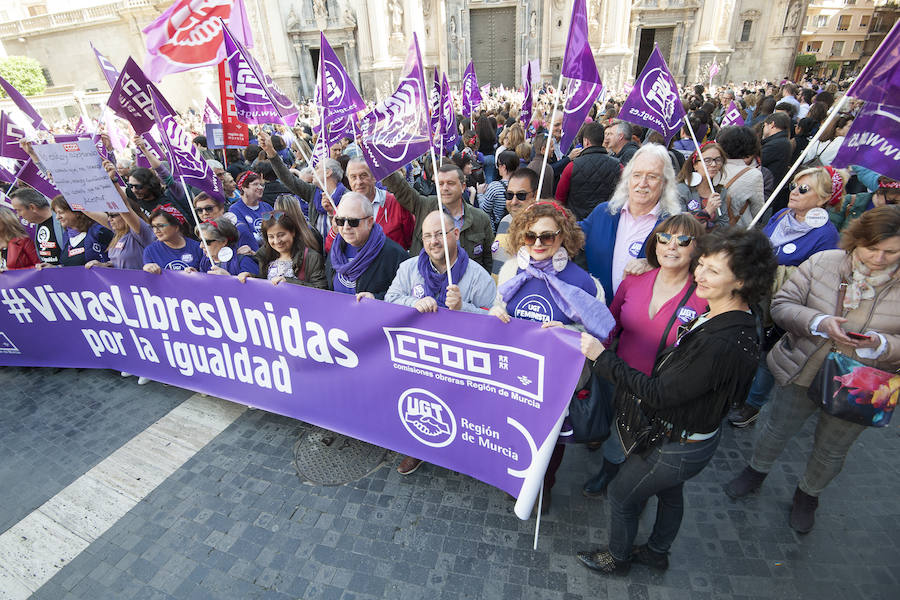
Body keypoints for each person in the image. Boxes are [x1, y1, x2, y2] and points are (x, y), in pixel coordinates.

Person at [576, 228, 777, 574]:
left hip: (674, 444)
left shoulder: (723, 342)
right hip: (691, 438)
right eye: (702, 264)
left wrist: (601, 358)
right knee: (670, 493)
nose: (699, 274)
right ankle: (657, 552)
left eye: (713, 271)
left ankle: (617, 558)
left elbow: (659, 393)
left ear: (741, 281)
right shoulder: (733, 316)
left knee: (622, 495)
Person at [725, 206, 900, 533]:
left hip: (864, 380)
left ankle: (809, 494)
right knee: (777, 427)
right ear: (856, 240)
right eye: (871, 248)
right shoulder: (825, 263)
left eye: (891, 252)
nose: (879, 258)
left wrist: (882, 345)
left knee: (833, 447)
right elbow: (782, 306)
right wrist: (818, 323)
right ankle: (756, 470)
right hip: (804, 366)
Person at [490, 201, 615, 513]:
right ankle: (518, 481)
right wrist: (495, 312)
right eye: (530, 236)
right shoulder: (510, 270)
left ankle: (544, 486)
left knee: (552, 442)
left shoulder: (584, 282)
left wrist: (568, 329)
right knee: (515, 431)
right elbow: (498, 308)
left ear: (564, 237)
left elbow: (599, 333)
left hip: (557, 381)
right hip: (516, 374)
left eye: (547, 236)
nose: (538, 243)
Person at [582, 214, 708, 497]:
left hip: (658, 390)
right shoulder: (634, 281)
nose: (672, 246)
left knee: (634, 443)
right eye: (665, 238)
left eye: (683, 240)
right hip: (615, 375)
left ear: (696, 248)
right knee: (612, 430)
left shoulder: (704, 296)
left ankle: (623, 480)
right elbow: (608, 325)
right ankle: (608, 466)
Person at [387, 211, 497, 475]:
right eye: (427, 235)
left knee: (463, 410)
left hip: (461, 359)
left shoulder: (477, 276)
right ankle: (419, 449)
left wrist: (463, 308)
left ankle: (465, 454)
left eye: (440, 233)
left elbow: (496, 321)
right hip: (420, 357)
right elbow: (389, 300)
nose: (433, 241)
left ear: (456, 234)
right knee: (422, 405)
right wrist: (413, 303)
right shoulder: (409, 268)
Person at [579, 144, 682, 303]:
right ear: (628, 179)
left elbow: (687, 271)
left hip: (640, 321)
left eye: (652, 176)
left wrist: (654, 265)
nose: (642, 183)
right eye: (637, 175)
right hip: (596, 314)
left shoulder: (673, 226)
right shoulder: (603, 213)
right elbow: (568, 235)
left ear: (665, 183)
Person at [384, 163, 494, 273]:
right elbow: (400, 188)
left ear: (463, 187)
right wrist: (382, 162)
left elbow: (489, 261)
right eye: (440, 184)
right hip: (426, 284)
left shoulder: (480, 219)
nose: (445, 188)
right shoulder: (425, 206)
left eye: (450, 183)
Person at [325, 192, 408, 300]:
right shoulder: (336, 248)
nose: (345, 227)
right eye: (340, 221)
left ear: (369, 222)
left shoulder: (394, 254)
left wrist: (376, 298)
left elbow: (407, 295)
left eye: (353, 222)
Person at [762, 167, 841, 267]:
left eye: (803, 188)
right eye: (793, 186)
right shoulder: (782, 214)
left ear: (823, 198)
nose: (794, 192)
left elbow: (819, 276)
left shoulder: (827, 236)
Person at [239, 210, 326, 288]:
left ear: (293, 232)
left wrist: (290, 282)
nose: (277, 241)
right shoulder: (265, 256)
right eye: (271, 237)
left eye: (281, 235)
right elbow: (265, 283)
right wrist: (251, 278)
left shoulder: (312, 258)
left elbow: (321, 289)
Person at [555, 122, 622, 220]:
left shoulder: (572, 167)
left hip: (577, 224)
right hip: (605, 222)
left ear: (586, 141)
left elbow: (559, 199)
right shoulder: (618, 166)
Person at [715, 126, 766, 227]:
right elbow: (758, 210)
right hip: (738, 230)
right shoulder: (754, 175)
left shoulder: (713, 167)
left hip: (713, 227)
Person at [492, 168, 540, 275]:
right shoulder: (505, 221)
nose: (513, 202)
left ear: (535, 195)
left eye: (521, 195)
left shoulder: (541, 230)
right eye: (509, 195)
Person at [674, 142, 728, 229]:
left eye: (718, 160)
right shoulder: (681, 190)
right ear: (695, 165)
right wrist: (707, 211)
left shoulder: (720, 191)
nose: (714, 164)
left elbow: (724, 225)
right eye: (707, 160)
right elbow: (680, 226)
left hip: (712, 242)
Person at [50, 196, 113, 267]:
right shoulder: (66, 235)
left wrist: (104, 265)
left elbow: (119, 260)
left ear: (77, 212)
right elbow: (69, 265)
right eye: (56, 213)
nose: (57, 217)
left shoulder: (99, 231)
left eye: (60, 212)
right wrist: (54, 267)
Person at [9, 188, 65, 265]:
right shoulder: (37, 222)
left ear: (32, 207)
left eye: (19, 210)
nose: (18, 215)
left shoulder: (63, 220)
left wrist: (58, 268)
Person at [142, 206, 203, 273]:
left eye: (160, 226)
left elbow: (208, 277)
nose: (156, 231)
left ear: (176, 227)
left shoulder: (199, 248)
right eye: (153, 227)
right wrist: (147, 268)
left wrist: (197, 274)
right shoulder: (150, 251)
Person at [194, 192, 258, 252]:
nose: (204, 213)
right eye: (199, 210)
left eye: (208, 208)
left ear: (221, 208)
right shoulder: (204, 232)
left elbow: (256, 257)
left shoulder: (239, 229)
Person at [194, 217, 260, 277]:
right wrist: (196, 276)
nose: (201, 246)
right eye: (200, 240)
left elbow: (255, 288)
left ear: (223, 241)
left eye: (206, 242)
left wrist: (228, 279)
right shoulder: (206, 261)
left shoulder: (243, 261)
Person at [760, 112, 793, 214]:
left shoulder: (777, 144)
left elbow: (759, 161)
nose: (763, 129)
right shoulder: (781, 141)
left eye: (764, 125)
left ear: (772, 124)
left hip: (766, 190)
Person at [478, 151, 519, 231]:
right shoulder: (520, 185)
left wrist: (480, 194)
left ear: (503, 167)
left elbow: (484, 210)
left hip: (497, 229)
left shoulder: (495, 187)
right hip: (516, 227)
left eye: (498, 165)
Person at [230, 171, 273, 246]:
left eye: (261, 184)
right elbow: (245, 236)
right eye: (255, 184)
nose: (260, 188)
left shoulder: (267, 207)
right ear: (243, 187)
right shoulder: (235, 210)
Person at [0, 206, 39, 271]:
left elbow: (39, 267)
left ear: (6, 221)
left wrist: (11, 270)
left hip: (21, 280)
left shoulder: (23, 241)